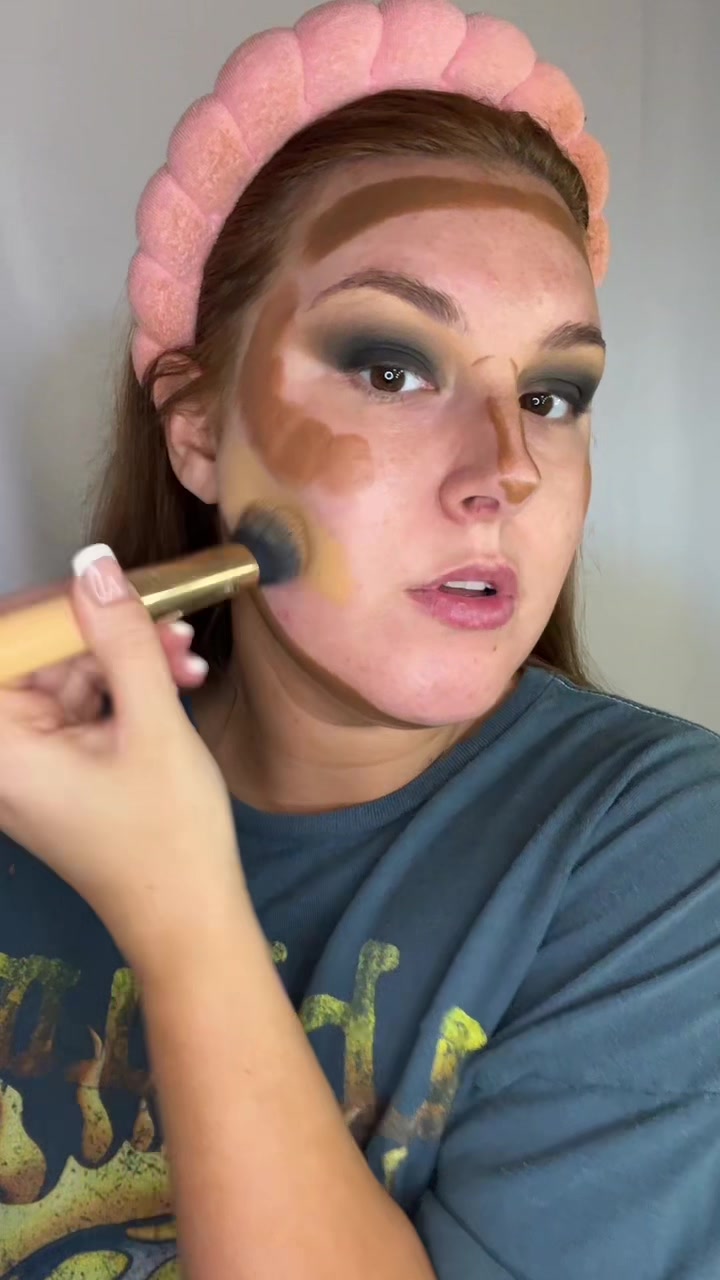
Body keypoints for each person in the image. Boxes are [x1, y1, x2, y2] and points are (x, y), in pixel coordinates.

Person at [0, 2, 718, 1277]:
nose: (507, 469)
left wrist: (180, 907)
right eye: (393, 369)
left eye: (552, 393)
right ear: (199, 432)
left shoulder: (666, 855)